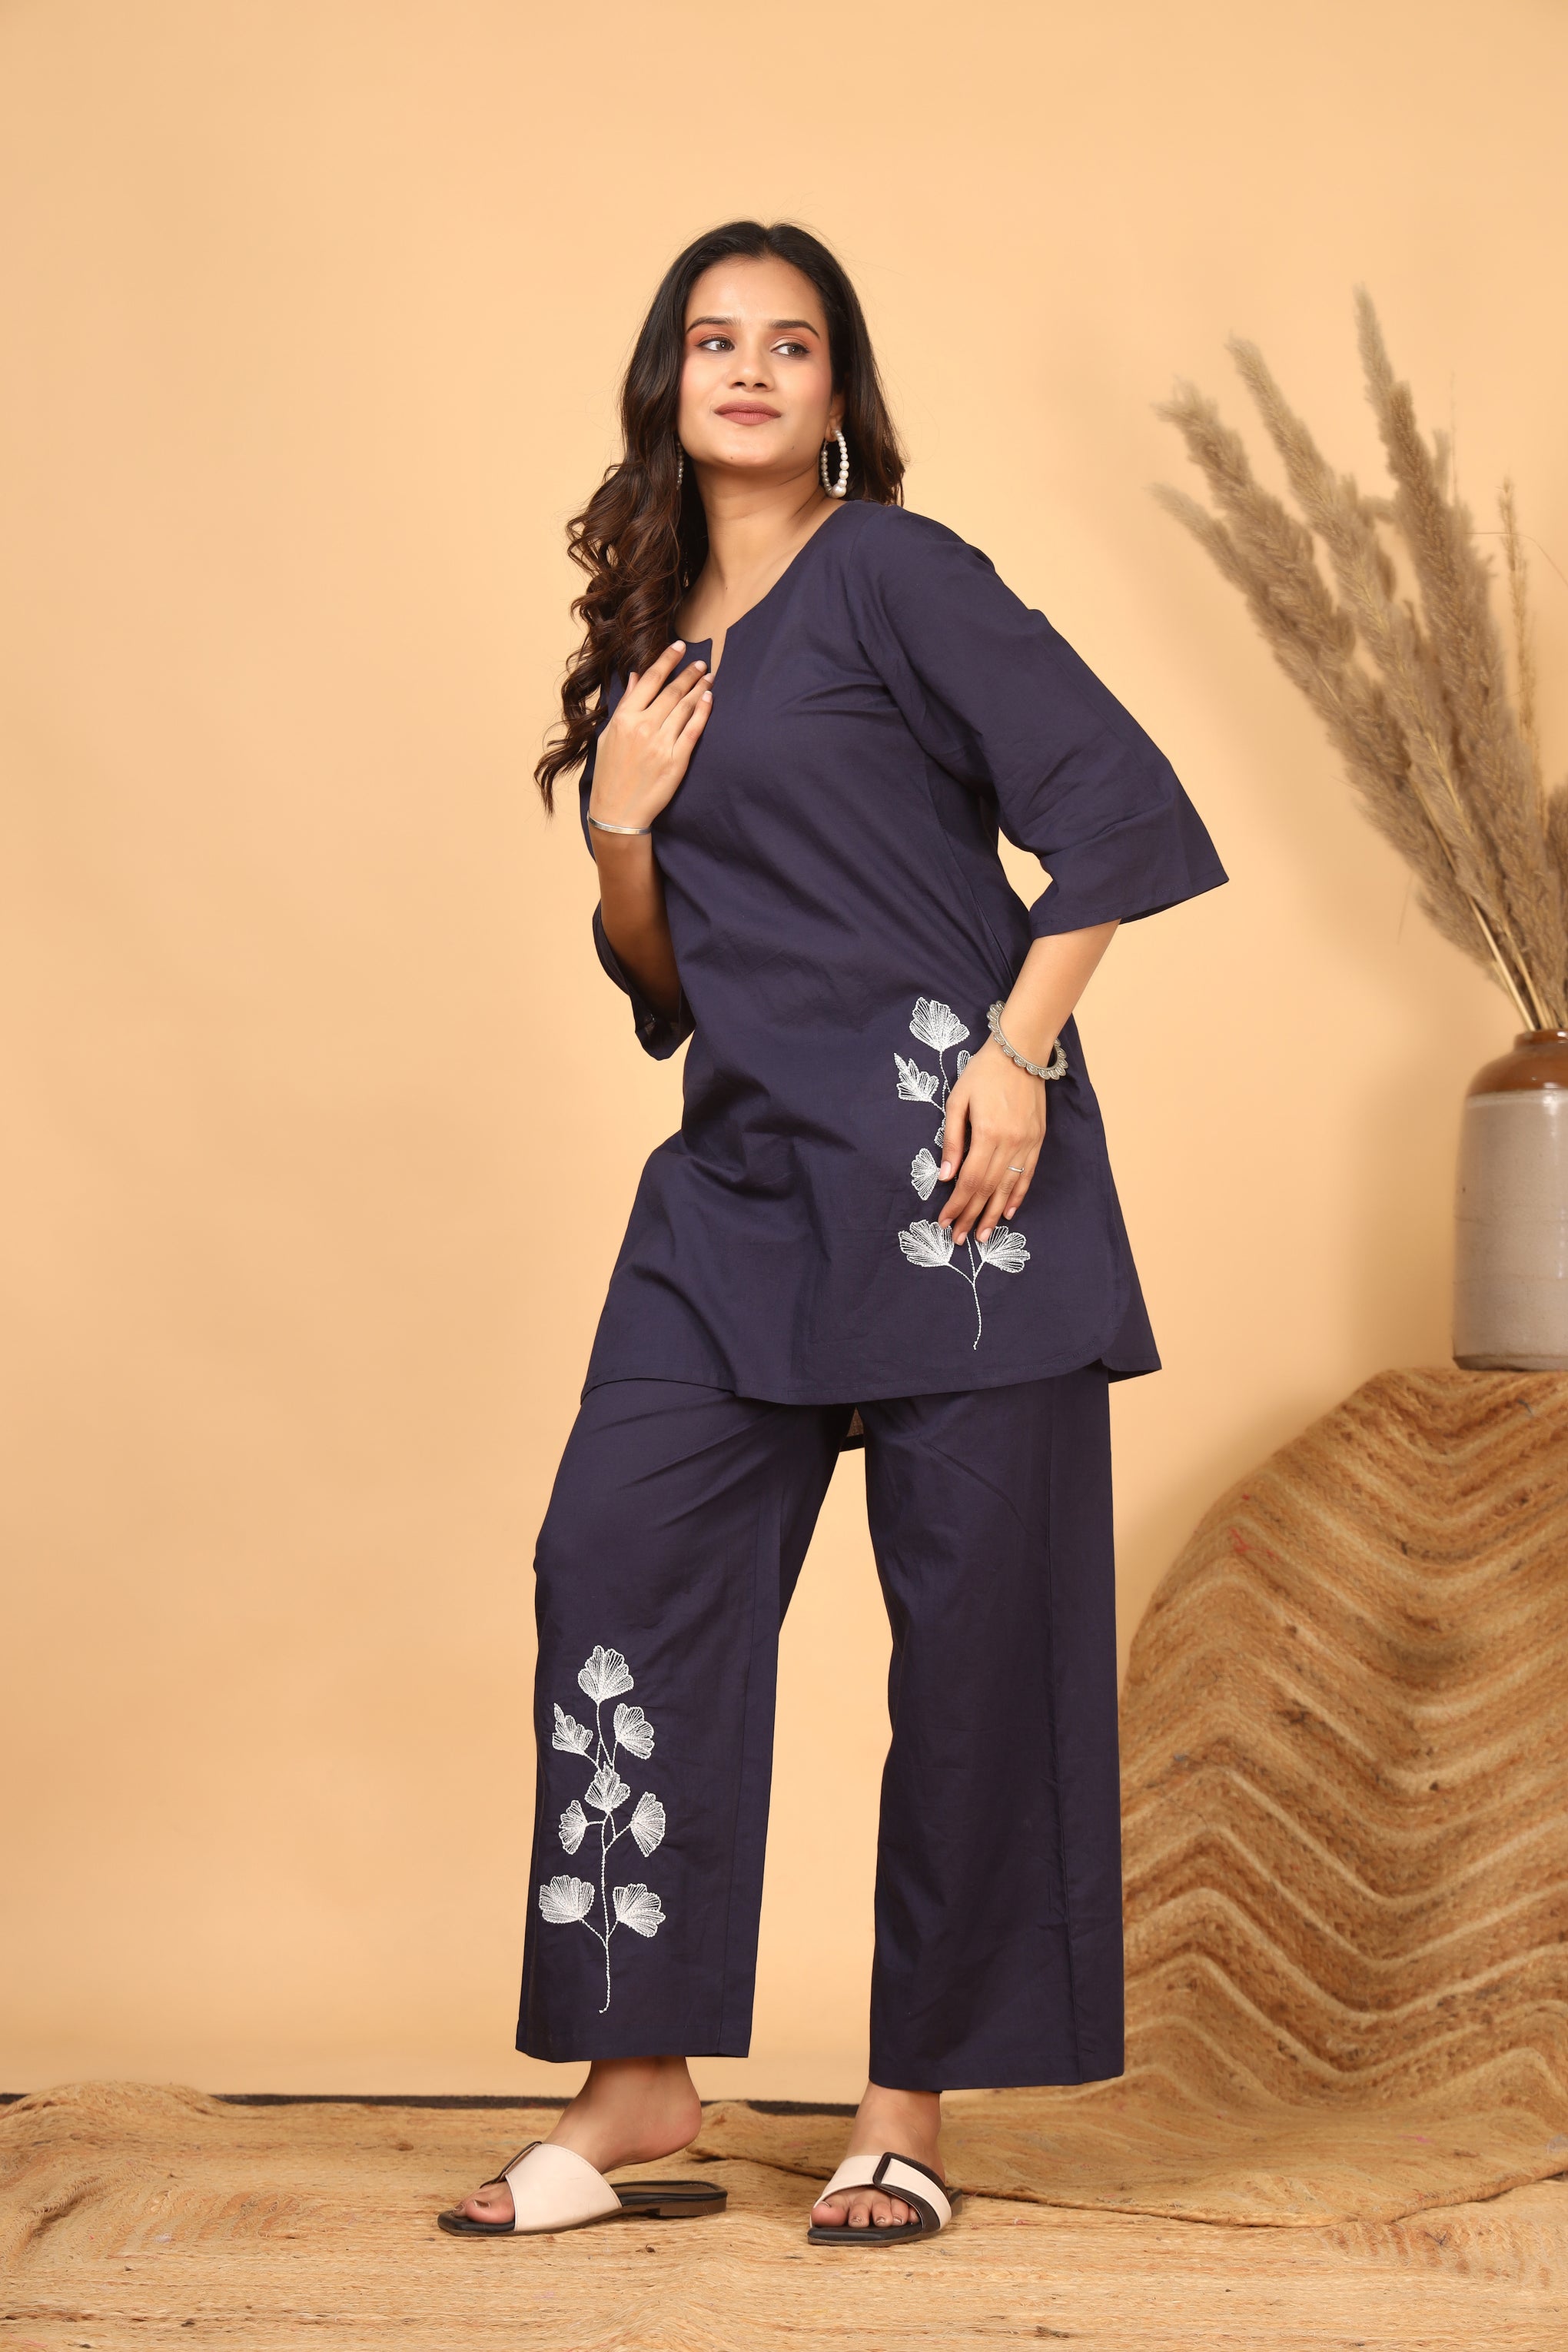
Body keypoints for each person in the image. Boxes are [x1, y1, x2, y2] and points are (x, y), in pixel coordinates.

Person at [440, 219, 1227, 2247]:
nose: (750, 368)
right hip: (737, 1196)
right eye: (715, 338)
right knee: (616, 1561)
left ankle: (906, 2105)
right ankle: (637, 2078)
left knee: (972, 1648)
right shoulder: (653, 649)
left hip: (962, 1185)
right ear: (667, 381)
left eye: (790, 343)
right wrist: (620, 818)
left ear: (837, 391)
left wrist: (1022, 1054)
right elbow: (667, 978)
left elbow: (1114, 801)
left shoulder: (894, 572)